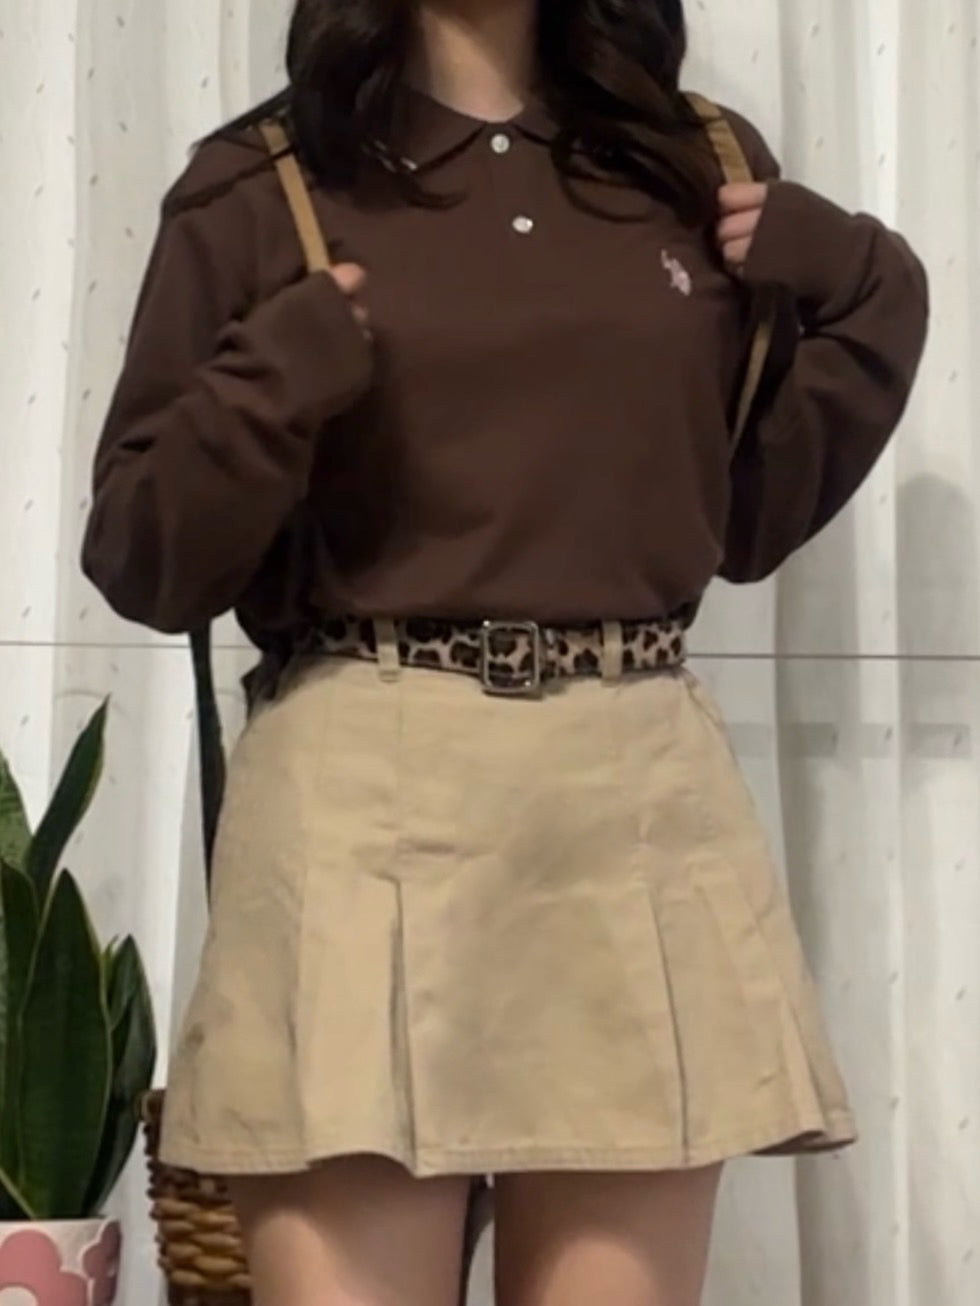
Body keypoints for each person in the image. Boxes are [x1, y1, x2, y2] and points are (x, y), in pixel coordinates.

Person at [82, 1, 928, 1303]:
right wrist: (265, 389)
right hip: (358, 792)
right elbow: (147, 560)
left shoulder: (695, 164)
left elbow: (744, 518)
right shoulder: (262, 181)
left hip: (633, 785)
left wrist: (872, 290)